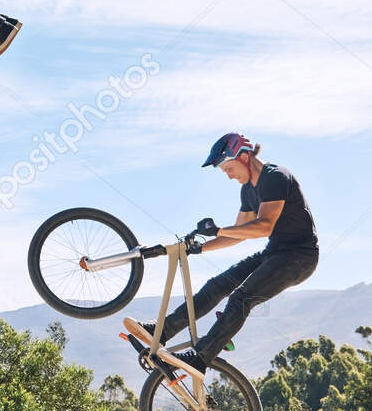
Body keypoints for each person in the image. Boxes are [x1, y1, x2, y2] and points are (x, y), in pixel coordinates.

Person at [124, 132, 319, 376]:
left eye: (229, 168)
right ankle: (161, 332)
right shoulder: (248, 191)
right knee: (217, 285)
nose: (229, 176)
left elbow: (264, 226)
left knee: (240, 298)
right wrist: (201, 247)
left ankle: (200, 357)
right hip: (275, 252)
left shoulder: (276, 177)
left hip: (299, 257)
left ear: (245, 157)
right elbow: (237, 234)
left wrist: (218, 229)